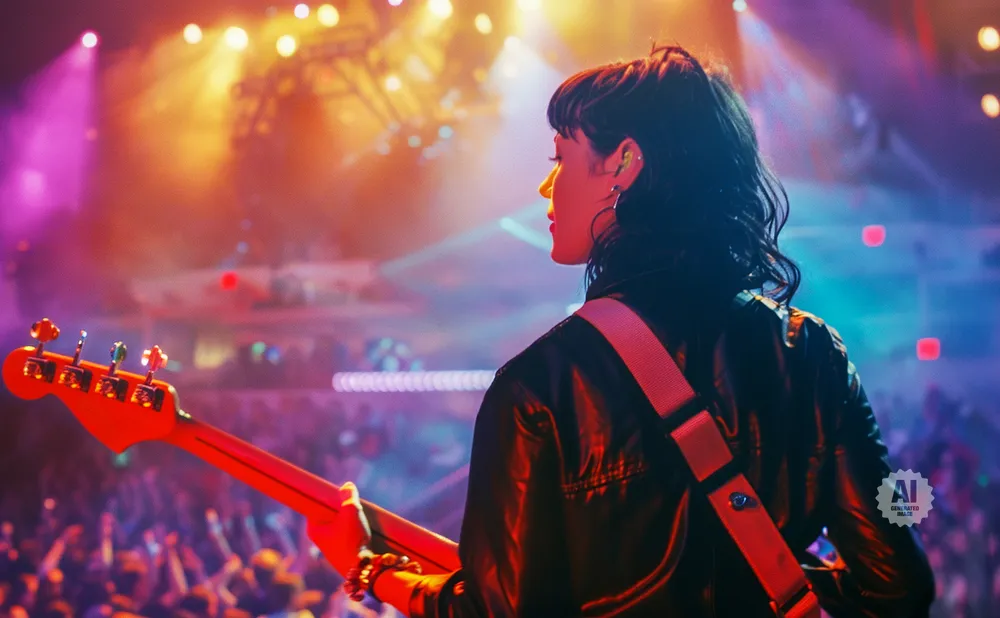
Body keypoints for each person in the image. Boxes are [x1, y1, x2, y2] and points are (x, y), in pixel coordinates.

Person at [307, 45, 936, 617]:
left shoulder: (539, 388)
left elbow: (496, 613)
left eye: (560, 158)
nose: (545, 186)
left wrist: (370, 569)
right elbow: (897, 589)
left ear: (625, 163)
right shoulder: (813, 355)